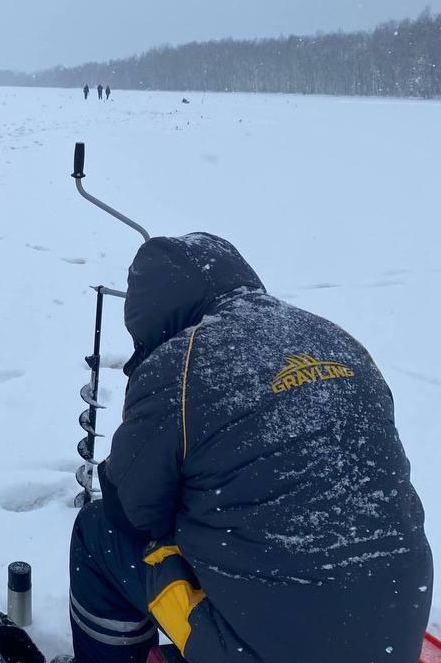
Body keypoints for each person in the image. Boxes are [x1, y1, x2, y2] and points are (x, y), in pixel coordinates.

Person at [66, 233, 432, 663]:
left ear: (152, 316)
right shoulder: (337, 338)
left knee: (97, 535)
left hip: (267, 649)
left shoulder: (181, 363)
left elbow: (130, 510)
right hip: (398, 626)